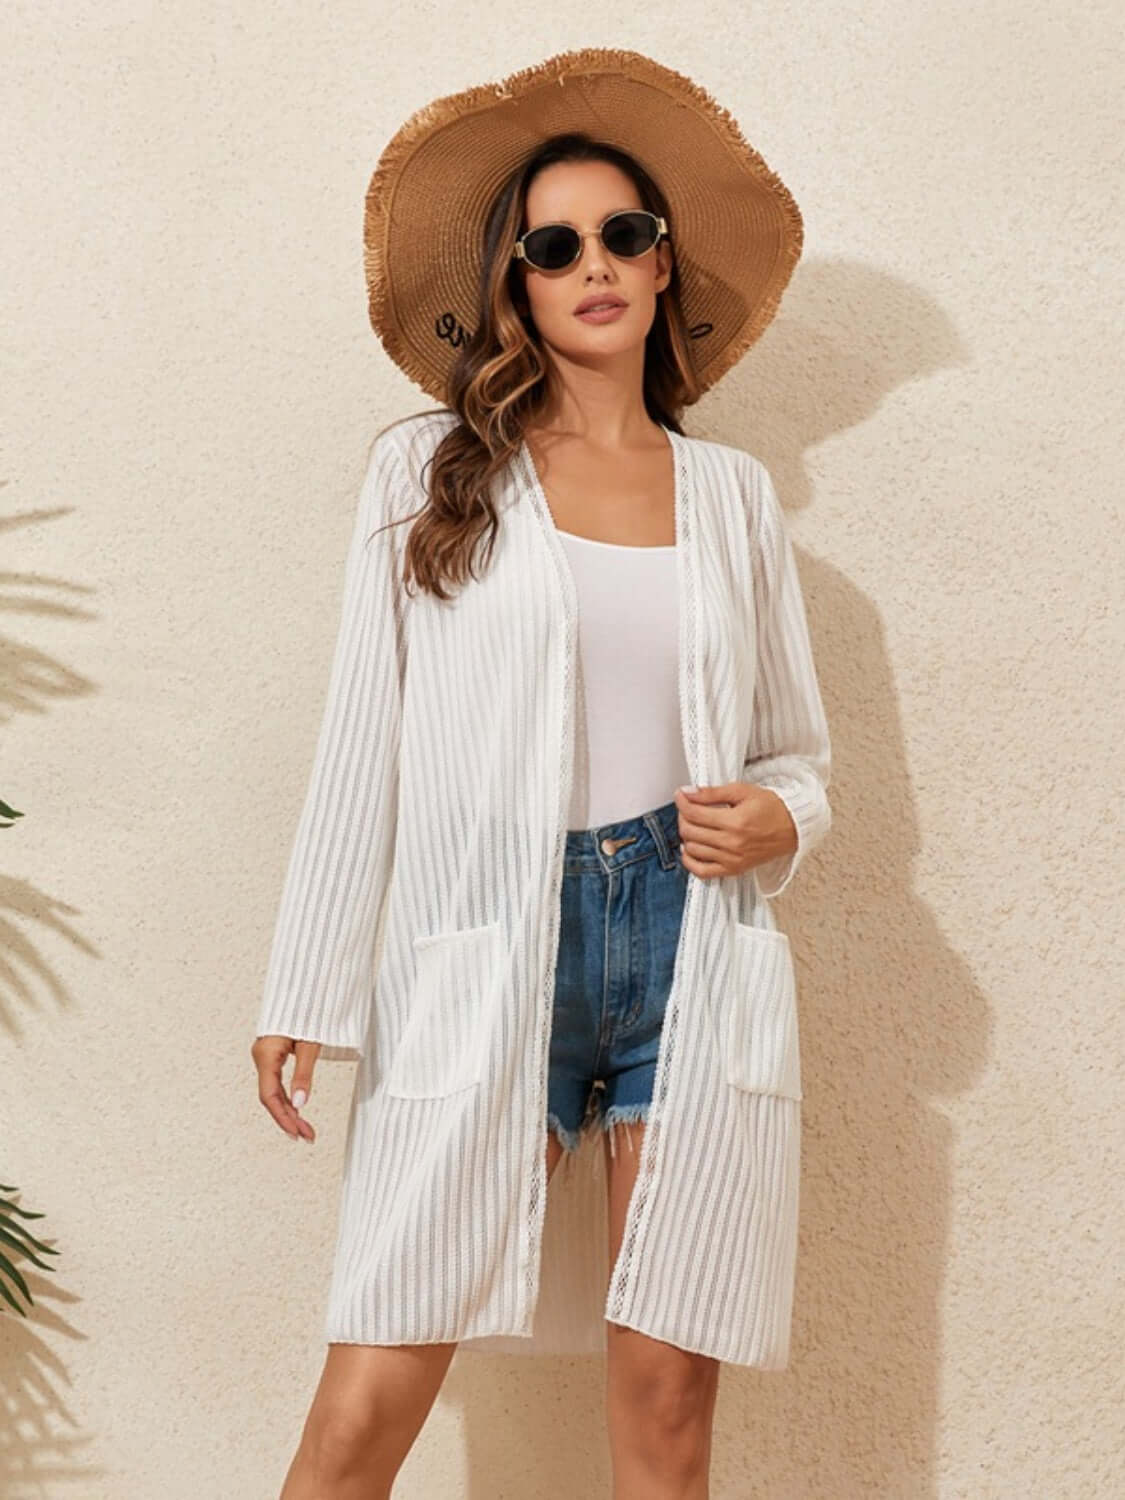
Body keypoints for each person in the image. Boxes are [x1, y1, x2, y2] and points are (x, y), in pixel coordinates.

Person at [251, 47, 832, 1500]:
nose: (594, 265)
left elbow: (796, 752)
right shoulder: (427, 474)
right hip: (490, 933)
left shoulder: (732, 499)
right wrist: (305, 989)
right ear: (514, 284)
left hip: (689, 943)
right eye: (552, 244)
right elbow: (358, 740)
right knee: (368, 1391)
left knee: (668, 1399)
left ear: (660, 266)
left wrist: (784, 814)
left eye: (623, 236)